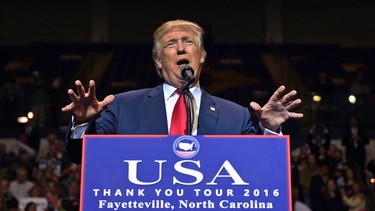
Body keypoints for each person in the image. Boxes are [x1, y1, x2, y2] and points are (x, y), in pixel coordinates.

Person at [62, 19, 303, 164]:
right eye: (170, 44)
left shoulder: (236, 115)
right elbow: (83, 158)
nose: (180, 49)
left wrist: (270, 130)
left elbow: (259, 166)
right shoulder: (121, 106)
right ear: (158, 60)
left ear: (202, 55)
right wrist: (83, 124)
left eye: (188, 42)